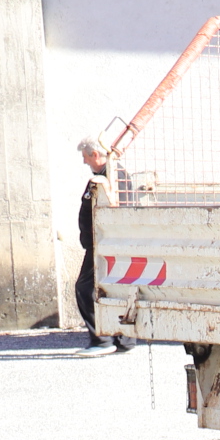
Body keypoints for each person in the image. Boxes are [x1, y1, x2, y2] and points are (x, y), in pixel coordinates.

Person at [73, 138, 132, 355]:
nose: (85, 163)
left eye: (86, 158)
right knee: (118, 287)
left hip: (104, 243)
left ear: (95, 155)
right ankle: (124, 340)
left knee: (85, 288)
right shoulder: (116, 175)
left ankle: (102, 340)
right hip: (110, 242)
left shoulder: (107, 178)